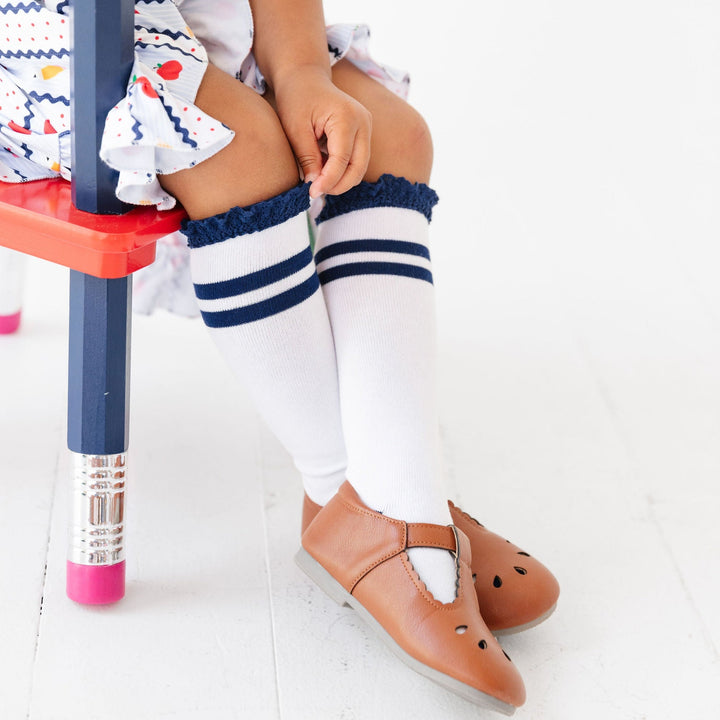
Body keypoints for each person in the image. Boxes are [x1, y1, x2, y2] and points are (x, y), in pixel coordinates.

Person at [0, 0, 559, 712]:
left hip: (197, 23)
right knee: (236, 143)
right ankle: (382, 507)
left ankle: (381, 506)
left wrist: (297, 70)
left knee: (387, 134)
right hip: (50, 36)